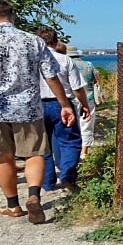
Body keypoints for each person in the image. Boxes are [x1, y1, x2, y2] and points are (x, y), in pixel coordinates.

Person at [0, 0, 74, 224]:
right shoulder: (33, 41)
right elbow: (51, 77)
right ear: (12, 17)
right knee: (34, 154)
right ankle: (34, 196)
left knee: (2, 156)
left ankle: (13, 205)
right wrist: (65, 104)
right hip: (28, 108)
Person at [36, 27, 90, 194]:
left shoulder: (32, 61)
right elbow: (77, 88)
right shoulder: (65, 60)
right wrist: (84, 105)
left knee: (42, 145)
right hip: (62, 104)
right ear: (55, 41)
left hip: (37, 105)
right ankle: (67, 175)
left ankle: (47, 181)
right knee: (70, 141)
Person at [67, 46, 101, 160]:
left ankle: (72, 150)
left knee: (71, 125)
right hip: (88, 99)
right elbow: (97, 80)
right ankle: (84, 152)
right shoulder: (89, 64)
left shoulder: (66, 64)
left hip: (71, 99)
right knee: (86, 125)